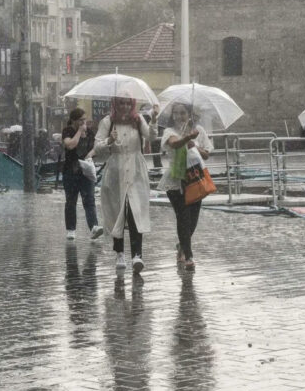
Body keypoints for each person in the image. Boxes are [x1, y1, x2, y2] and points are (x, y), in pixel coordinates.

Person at [95, 96, 159, 274]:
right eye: (121, 103)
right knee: (117, 212)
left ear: (132, 105)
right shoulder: (108, 122)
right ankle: (120, 253)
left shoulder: (138, 120)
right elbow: (97, 146)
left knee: (135, 210)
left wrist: (154, 119)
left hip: (136, 170)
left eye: (128, 103)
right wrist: (109, 140)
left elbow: (151, 136)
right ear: (115, 104)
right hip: (116, 171)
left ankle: (137, 254)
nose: (124, 106)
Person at [157, 102, 213, 270]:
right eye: (176, 113)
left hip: (195, 178)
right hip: (176, 181)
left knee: (193, 220)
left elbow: (206, 154)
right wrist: (188, 138)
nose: (179, 116)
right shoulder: (169, 131)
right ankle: (188, 256)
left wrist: (194, 144)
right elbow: (174, 144)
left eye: (183, 113)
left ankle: (182, 245)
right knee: (183, 217)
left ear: (189, 114)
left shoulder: (199, 130)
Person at [62, 108, 104, 240]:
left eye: (84, 120)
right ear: (73, 120)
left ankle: (94, 227)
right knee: (71, 201)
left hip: (86, 171)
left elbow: (95, 148)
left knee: (89, 199)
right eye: (80, 120)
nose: (83, 122)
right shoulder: (68, 131)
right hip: (71, 170)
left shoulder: (90, 132)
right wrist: (80, 131)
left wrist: (89, 155)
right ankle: (71, 229)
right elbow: (70, 145)